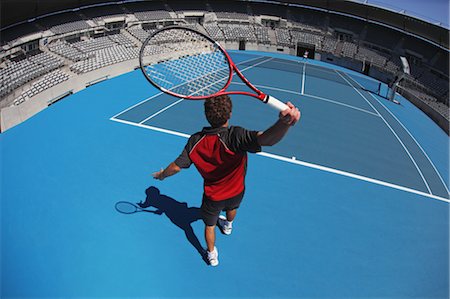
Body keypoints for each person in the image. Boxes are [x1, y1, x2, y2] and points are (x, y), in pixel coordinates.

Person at [152, 95, 300, 266]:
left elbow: (176, 167)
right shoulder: (235, 136)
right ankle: (228, 225)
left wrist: (162, 175)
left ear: (207, 115)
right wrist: (284, 123)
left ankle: (211, 254)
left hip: (213, 197)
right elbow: (266, 140)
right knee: (232, 208)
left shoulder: (195, 141)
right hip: (236, 190)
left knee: (209, 225)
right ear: (229, 114)